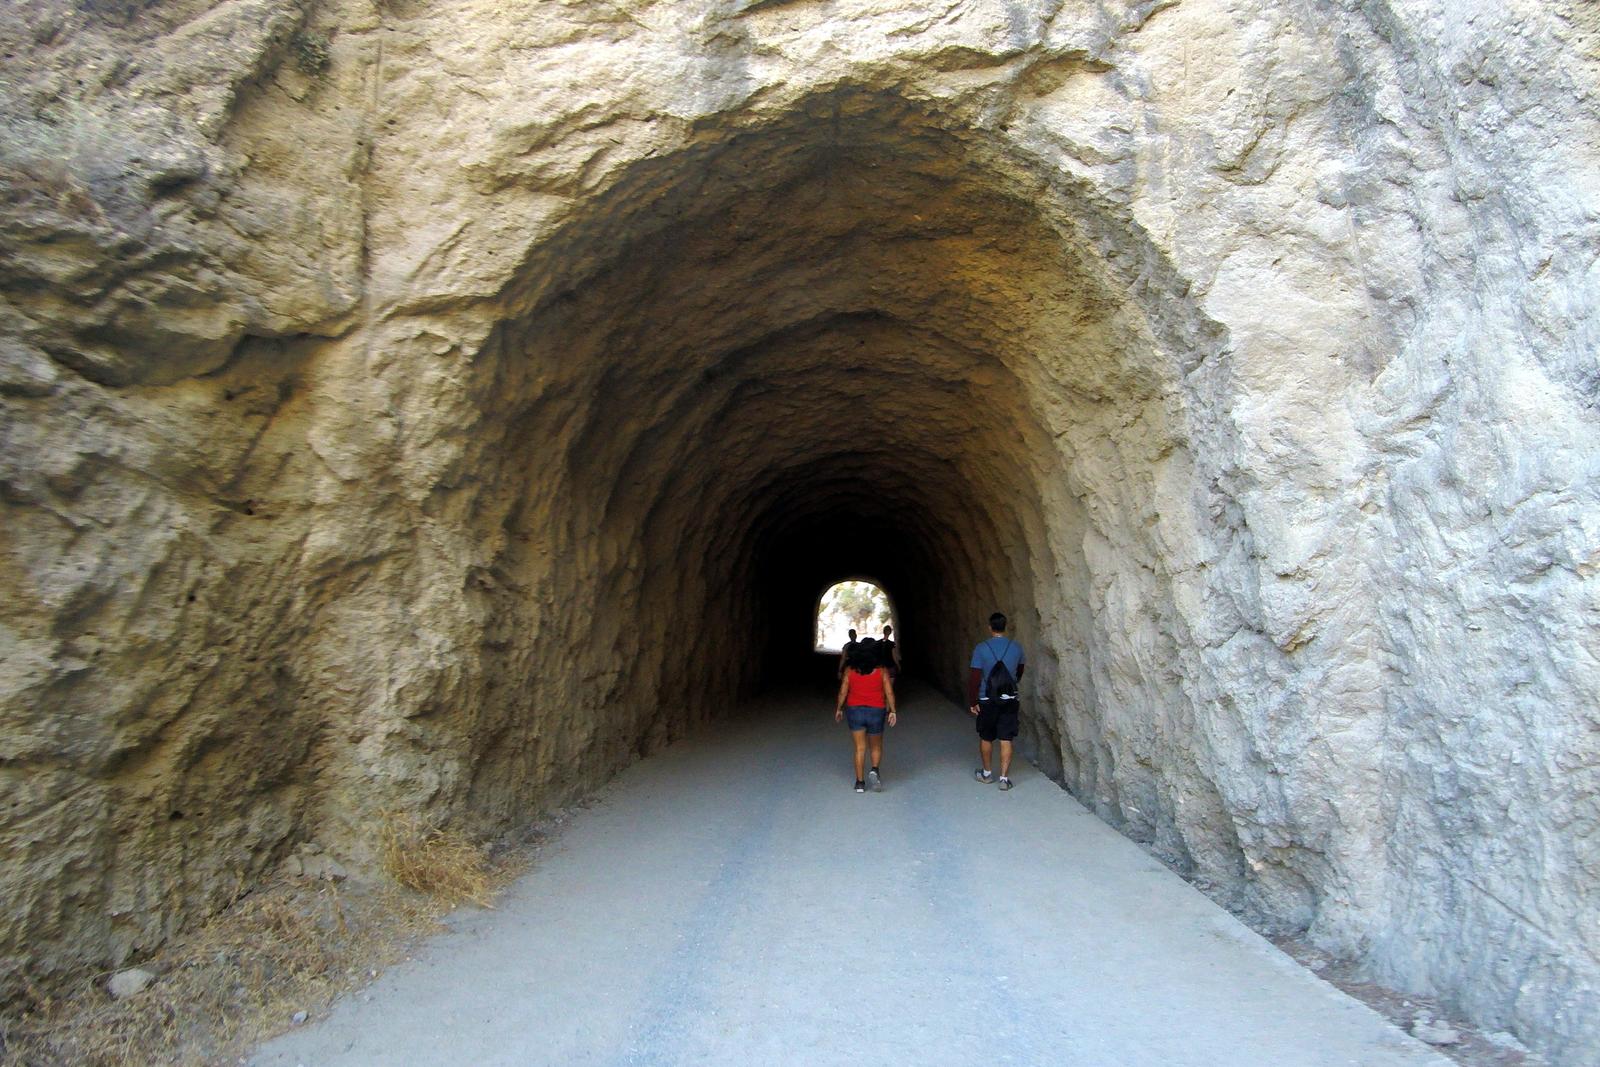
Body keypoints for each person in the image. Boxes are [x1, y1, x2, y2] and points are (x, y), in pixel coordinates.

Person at [968, 612, 1025, 791]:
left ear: (990, 627)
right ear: (1005, 626)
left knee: (986, 736)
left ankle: (986, 773)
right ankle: (1004, 778)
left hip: (987, 699)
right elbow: (1019, 671)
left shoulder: (981, 648)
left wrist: (973, 700)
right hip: (1009, 699)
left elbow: (975, 677)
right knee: (1006, 738)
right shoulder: (1016, 648)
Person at [834, 638, 898, 792]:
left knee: (859, 748)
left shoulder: (850, 670)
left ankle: (860, 783)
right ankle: (874, 770)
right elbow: (889, 691)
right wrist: (893, 711)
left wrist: (839, 708)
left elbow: (843, 690)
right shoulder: (882, 671)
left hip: (855, 710)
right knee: (875, 746)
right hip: (876, 710)